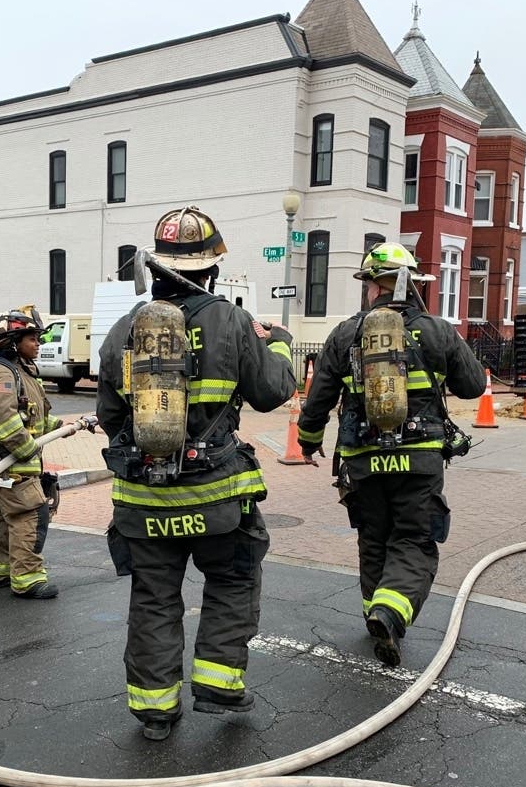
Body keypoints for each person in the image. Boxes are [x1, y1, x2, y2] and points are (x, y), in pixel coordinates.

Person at [96, 205, 296, 741]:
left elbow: (111, 420)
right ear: (211, 270)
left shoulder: (122, 332)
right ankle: (218, 685)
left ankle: (155, 709)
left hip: (145, 504)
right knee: (232, 581)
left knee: (154, 599)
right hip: (217, 499)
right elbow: (274, 391)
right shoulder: (231, 321)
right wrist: (277, 342)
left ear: (155, 270)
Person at [297, 242, 486, 667]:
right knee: (414, 540)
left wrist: (309, 440)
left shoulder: (346, 333)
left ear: (372, 287)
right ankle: (391, 611)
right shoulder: (436, 329)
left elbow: (318, 398)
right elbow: (473, 386)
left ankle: (374, 614)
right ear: (411, 284)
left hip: (362, 458)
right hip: (419, 460)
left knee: (374, 536)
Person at [0, 310, 62, 599]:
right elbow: (3, 418)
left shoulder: (20, 371)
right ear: (13, 342)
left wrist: (60, 428)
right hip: (7, 457)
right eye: (32, 339)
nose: (38, 344)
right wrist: (26, 449)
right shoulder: (2, 373)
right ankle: (28, 578)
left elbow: (29, 415)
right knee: (29, 511)